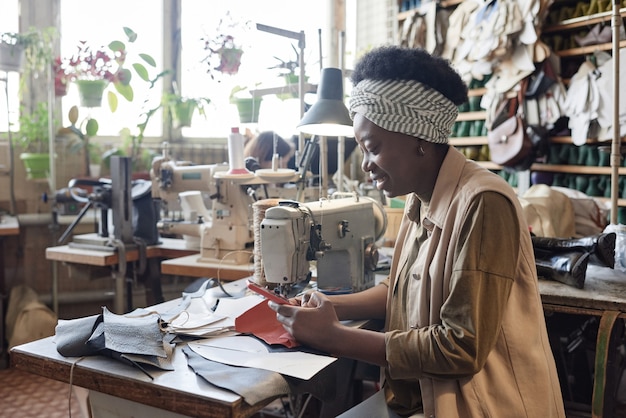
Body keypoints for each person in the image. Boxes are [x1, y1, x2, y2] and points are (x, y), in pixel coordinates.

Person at [269, 45, 565, 417]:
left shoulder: (484, 203)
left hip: (483, 406)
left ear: (418, 138)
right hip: (425, 398)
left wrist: (335, 337)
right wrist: (330, 307)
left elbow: (460, 347)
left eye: (372, 148)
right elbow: (401, 290)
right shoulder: (420, 200)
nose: (365, 166)